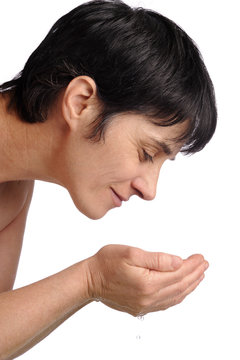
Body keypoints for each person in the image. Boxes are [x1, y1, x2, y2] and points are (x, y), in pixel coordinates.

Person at [0, 0, 216, 358]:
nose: (150, 190)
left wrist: (93, 282)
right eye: (147, 153)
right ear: (81, 102)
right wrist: (90, 280)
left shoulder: (14, 188)